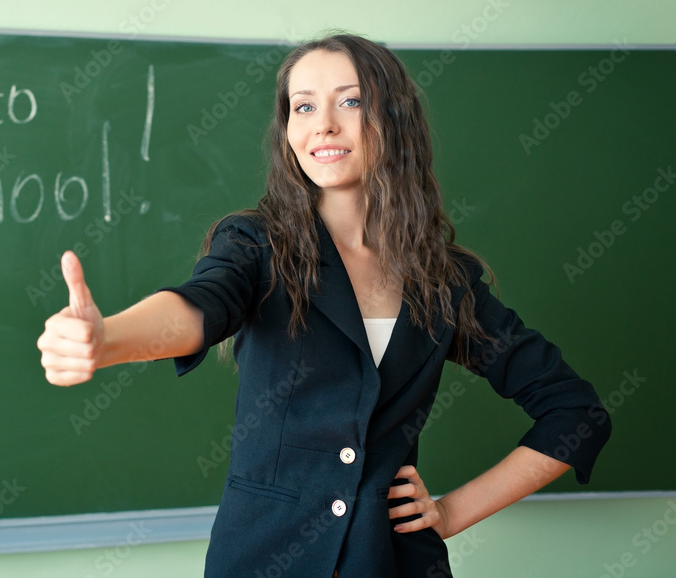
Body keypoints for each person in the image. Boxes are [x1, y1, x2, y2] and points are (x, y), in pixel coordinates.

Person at [37, 32, 611, 577]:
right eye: (303, 107)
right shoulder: (254, 244)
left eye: (352, 101)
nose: (324, 126)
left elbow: (575, 413)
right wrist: (108, 339)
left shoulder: (444, 278)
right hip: (261, 556)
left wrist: (452, 512)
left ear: (393, 119)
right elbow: (200, 307)